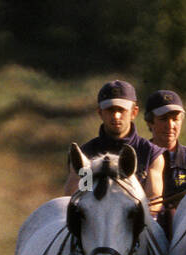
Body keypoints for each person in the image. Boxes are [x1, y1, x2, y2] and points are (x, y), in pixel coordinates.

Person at [65, 79, 164, 212]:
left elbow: (154, 202)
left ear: (134, 112)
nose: (116, 116)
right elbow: (75, 198)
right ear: (100, 113)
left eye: (121, 110)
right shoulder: (85, 155)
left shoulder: (151, 154)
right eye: (110, 110)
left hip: (136, 226)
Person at [144, 89, 186, 203]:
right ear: (149, 122)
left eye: (175, 119)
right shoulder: (139, 158)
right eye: (163, 119)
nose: (170, 125)